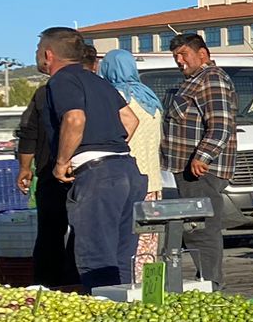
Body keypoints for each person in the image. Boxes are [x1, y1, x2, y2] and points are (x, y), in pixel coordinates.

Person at [35, 27, 145, 292]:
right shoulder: (98, 80)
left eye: (38, 51)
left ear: (48, 55)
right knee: (121, 256)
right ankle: (125, 318)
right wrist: (107, 145)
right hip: (127, 168)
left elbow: (75, 118)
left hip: (97, 176)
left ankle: (104, 317)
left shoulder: (61, 81)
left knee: (95, 257)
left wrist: (62, 162)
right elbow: (131, 120)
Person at [160, 33, 237, 288]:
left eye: (183, 54)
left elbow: (221, 125)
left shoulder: (211, 78)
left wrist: (202, 157)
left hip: (201, 171)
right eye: (175, 56)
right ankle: (205, 281)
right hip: (184, 170)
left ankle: (211, 285)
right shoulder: (192, 81)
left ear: (202, 54)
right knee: (194, 229)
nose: (179, 61)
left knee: (202, 230)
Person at [100, 49, 165, 274]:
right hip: (153, 182)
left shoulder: (114, 98)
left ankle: (127, 287)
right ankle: (148, 288)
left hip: (125, 181)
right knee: (149, 242)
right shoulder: (150, 99)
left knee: (124, 241)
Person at [14, 85, 73, 287]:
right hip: (82, 172)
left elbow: (28, 132)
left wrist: (24, 167)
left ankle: (48, 285)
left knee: (50, 232)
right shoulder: (98, 89)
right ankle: (75, 282)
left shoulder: (45, 92)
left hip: (51, 171)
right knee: (80, 231)